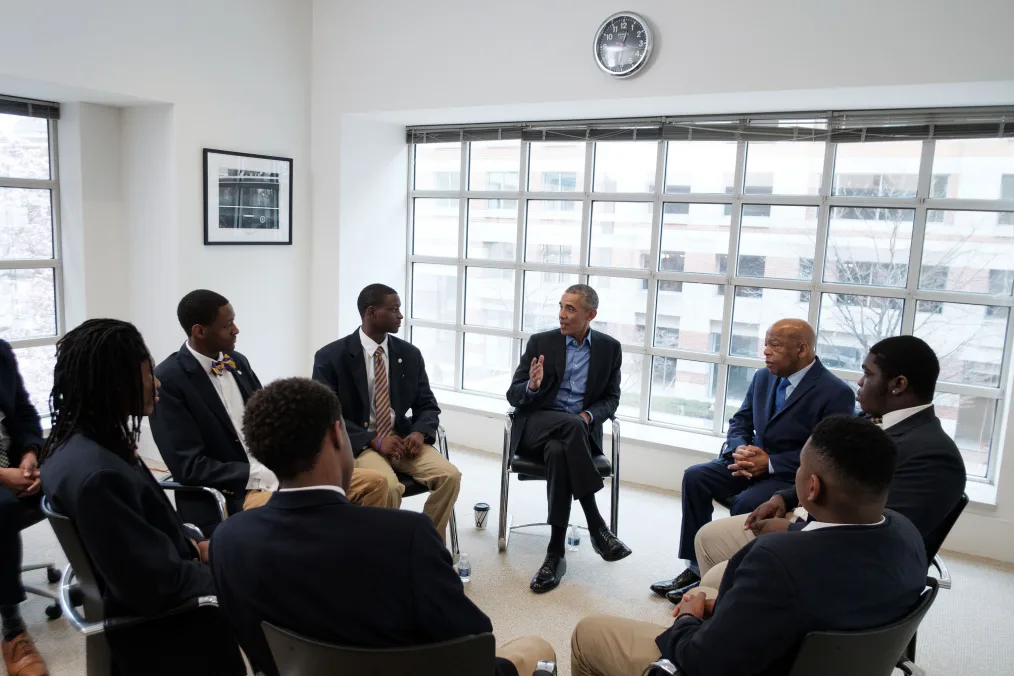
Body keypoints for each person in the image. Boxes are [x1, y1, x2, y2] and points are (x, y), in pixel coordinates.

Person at [210, 377, 555, 676]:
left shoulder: (227, 539)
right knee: (536, 647)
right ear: (336, 434)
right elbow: (473, 647)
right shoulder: (408, 536)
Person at [571, 416, 928, 676]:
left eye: (801, 467)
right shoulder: (909, 536)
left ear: (812, 488)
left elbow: (702, 661)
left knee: (589, 633)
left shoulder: (776, 560)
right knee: (712, 582)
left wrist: (690, 619)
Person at [39, 319, 244, 676]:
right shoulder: (99, 476)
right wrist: (234, 573)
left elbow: (141, 539)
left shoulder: (75, 446)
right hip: (167, 630)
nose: (158, 382)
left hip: (147, 586)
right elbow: (156, 587)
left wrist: (196, 546)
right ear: (116, 385)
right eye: (149, 373)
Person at [691, 335, 966, 598]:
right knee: (707, 538)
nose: (859, 382)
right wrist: (783, 497)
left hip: (844, 565)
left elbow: (880, 538)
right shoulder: (871, 421)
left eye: (868, 374)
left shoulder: (934, 457)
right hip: (808, 521)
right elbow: (827, 474)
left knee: (718, 580)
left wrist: (791, 532)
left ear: (898, 384)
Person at [151, 289, 389, 535]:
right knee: (307, 512)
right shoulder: (169, 381)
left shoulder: (237, 362)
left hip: (283, 475)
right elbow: (190, 466)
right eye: (228, 325)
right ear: (199, 331)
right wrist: (260, 475)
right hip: (236, 491)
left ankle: (356, 560)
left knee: (376, 484)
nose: (236, 330)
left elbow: (268, 423)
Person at [652, 319, 854, 602]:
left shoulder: (836, 392)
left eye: (775, 345)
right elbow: (740, 421)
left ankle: (731, 580)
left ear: (802, 349)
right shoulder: (763, 377)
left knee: (747, 504)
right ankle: (697, 568)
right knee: (696, 476)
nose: (766, 352)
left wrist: (770, 462)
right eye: (766, 344)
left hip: (787, 476)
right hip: (748, 461)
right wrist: (741, 450)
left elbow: (827, 454)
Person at [312, 284, 460, 543]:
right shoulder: (331, 357)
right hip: (360, 444)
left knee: (450, 476)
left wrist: (418, 432)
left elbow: (427, 405)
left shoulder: (409, 354)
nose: (400, 315)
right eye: (394, 309)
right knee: (388, 486)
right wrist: (374, 440)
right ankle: (386, 553)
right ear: (371, 312)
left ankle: (427, 546)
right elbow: (326, 416)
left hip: (402, 439)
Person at [506, 284, 630, 594]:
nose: (562, 315)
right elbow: (513, 394)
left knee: (562, 448)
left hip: (573, 435)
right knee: (571, 427)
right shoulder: (541, 342)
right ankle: (597, 526)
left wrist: (588, 417)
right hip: (536, 425)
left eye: (570, 309)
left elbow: (611, 399)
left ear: (591, 314)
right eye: (561, 307)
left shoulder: (609, 348)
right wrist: (532, 387)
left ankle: (555, 554)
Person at [0, 341, 47, 676]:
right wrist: (2, 477)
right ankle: (13, 627)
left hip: (13, 459)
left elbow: (24, 410)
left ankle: (106, 587)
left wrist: (30, 455)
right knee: (1, 507)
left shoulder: (0, 351)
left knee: (74, 474)